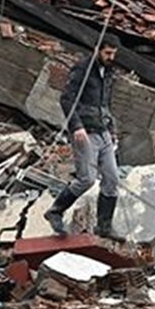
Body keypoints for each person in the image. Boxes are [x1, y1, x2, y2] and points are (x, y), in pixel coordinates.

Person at [44, 34, 121, 237]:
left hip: (103, 130)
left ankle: (104, 227)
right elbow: (66, 99)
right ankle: (55, 211)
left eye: (113, 53)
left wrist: (113, 130)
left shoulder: (109, 72)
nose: (110, 57)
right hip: (85, 131)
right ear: (97, 49)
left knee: (112, 179)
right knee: (86, 179)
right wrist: (76, 126)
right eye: (107, 52)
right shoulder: (83, 69)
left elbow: (106, 104)